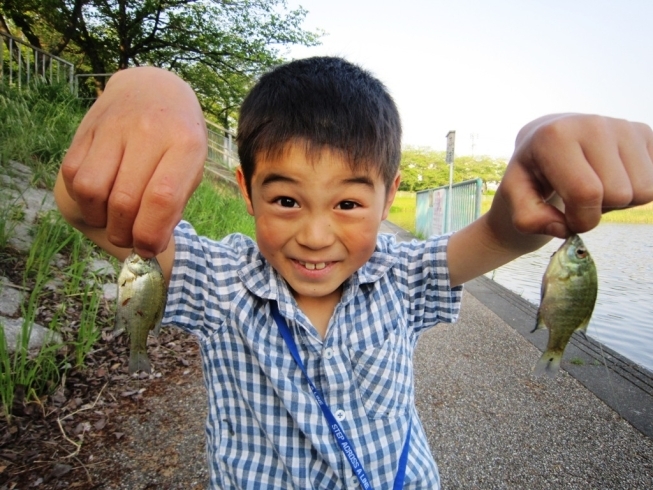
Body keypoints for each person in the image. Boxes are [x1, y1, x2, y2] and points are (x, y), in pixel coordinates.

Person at [54, 57, 653, 489]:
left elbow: (502, 230)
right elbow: (90, 209)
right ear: (246, 189)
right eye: (286, 200)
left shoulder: (406, 275)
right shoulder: (216, 280)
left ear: (389, 194)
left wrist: (538, 168)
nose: (315, 236)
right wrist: (149, 85)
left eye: (347, 203)